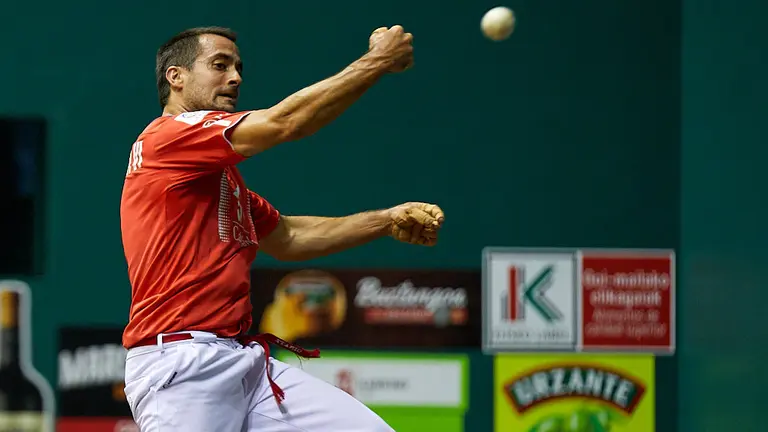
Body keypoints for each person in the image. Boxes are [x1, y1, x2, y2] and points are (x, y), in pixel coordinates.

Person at [119, 25, 444, 432]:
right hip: (183, 367)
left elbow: (289, 238)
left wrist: (385, 221)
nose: (235, 77)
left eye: (238, 67)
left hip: (243, 364)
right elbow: (285, 123)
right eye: (219, 65)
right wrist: (376, 61)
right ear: (176, 77)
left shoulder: (219, 179)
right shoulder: (167, 138)